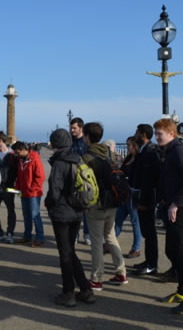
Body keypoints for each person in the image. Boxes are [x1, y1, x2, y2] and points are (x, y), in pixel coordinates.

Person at [154, 118, 183, 313]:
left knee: (176, 250)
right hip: (176, 206)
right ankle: (182, 290)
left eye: (160, 134)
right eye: (156, 133)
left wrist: (176, 203)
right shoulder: (170, 151)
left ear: (172, 134)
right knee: (176, 250)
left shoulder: (179, 152)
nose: (156, 137)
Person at [45, 129, 96, 307]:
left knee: (65, 254)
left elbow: (54, 192)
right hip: (77, 211)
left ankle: (68, 293)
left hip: (62, 214)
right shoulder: (77, 158)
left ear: (55, 144)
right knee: (70, 251)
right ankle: (85, 290)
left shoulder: (59, 163)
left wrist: (48, 204)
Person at [81, 122, 128, 290]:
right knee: (110, 236)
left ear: (87, 136)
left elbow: (85, 183)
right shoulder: (109, 153)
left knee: (96, 242)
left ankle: (96, 278)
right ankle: (121, 272)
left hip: (97, 205)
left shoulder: (87, 157)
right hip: (113, 202)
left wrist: (84, 203)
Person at [130, 123, 161, 276]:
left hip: (147, 200)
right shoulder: (144, 151)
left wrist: (145, 202)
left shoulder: (151, 152)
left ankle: (152, 264)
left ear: (143, 134)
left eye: (137, 132)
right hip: (141, 197)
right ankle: (148, 261)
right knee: (146, 232)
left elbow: (150, 180)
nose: (135, 134)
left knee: (150, 233)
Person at [12, 141, 46, 246]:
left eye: (17, 152)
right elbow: (19, 176)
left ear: (23, 150)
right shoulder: (20, 160)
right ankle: (27, 236)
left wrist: (32, 189)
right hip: (23, 192)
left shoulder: (34, 158)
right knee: (26, 215)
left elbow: (40, 177)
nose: (16, 155)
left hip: (33, 193)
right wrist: (17, 188)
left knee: (35, 215)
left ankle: (40, 237)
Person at [114, 136, 142, 258]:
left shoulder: (140, 159)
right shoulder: (128, 158)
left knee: (135, 222)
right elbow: (122, 172)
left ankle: (136, 248)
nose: (127, 147)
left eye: (129, 145)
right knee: (118, 219)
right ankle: (111, 243)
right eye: (127, 145)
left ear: (135, 146)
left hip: (134, 193)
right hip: (125, 193)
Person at [0, 131, 18, 243]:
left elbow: (18, 171)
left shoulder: (13, 155)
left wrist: (18, 189)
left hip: (10, 186)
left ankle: (10, 233)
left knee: (11, 210)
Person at [70, 117, 91, 245]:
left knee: (86, 209)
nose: (72, 130)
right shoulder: (69, 141)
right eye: (71, 128)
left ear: (81, 128)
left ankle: (87, 234)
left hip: (85, 179)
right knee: (74, 210)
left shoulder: (86, 142)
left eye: (74, 128)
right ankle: (75, 234)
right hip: (72, 178)